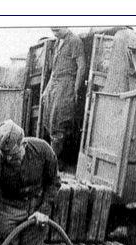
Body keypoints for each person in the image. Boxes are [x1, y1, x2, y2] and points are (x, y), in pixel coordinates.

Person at [0, 120, 60, 245]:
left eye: (13, 154)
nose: (9, 159)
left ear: (23, 143)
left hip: (36, 209)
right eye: (5, 155)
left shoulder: (42, 150)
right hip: (9, 209)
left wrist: (44, 211)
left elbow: (53, 182)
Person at [41, 26, 85, 169]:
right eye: (53, 31)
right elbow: (54, 70)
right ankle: (52, 160)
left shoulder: (75, 41)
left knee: (60, 122)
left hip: (66, 84)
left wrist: (75, 89)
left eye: (58, 30)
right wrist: (47, 89)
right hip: (54, 84)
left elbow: (81, 66)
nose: (55, 33)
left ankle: (55, 164)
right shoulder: (57, 42)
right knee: (49, 121)